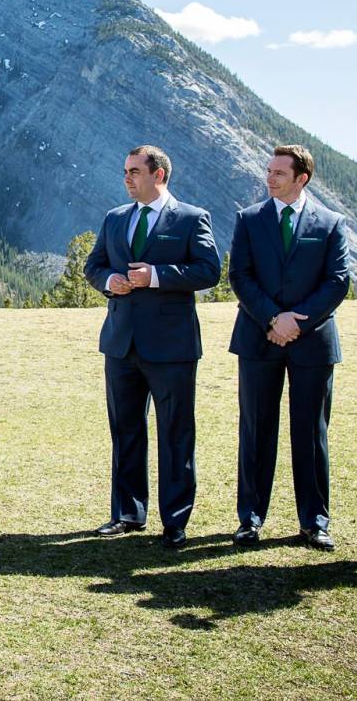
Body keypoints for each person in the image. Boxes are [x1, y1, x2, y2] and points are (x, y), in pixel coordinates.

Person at [83, 145, 220, 550]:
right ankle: (126, 513)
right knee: (125, 431)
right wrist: (111, 282)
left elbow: (209, 270)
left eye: (134, 171)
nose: (126, 178)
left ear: (158, 175)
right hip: (121, 344)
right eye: (125, 171)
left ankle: (175, 521)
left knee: (176, 434)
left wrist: (156, 276)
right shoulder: (115, 219)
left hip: (172, 347)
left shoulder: (191, 218)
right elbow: (94, 266)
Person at [226, 144, 350, 550]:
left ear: (302, 178)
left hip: (311, 342)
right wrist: (271, 319)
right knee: (256, 429)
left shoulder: (331, 223)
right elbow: (240, 276)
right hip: (259, 337)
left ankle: (314, 522)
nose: (270, 178)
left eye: (280, 172)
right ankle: (250, 518)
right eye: (269, 171)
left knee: (311, 433)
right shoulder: (249, 220)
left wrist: (297, 321)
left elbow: (337, 281)